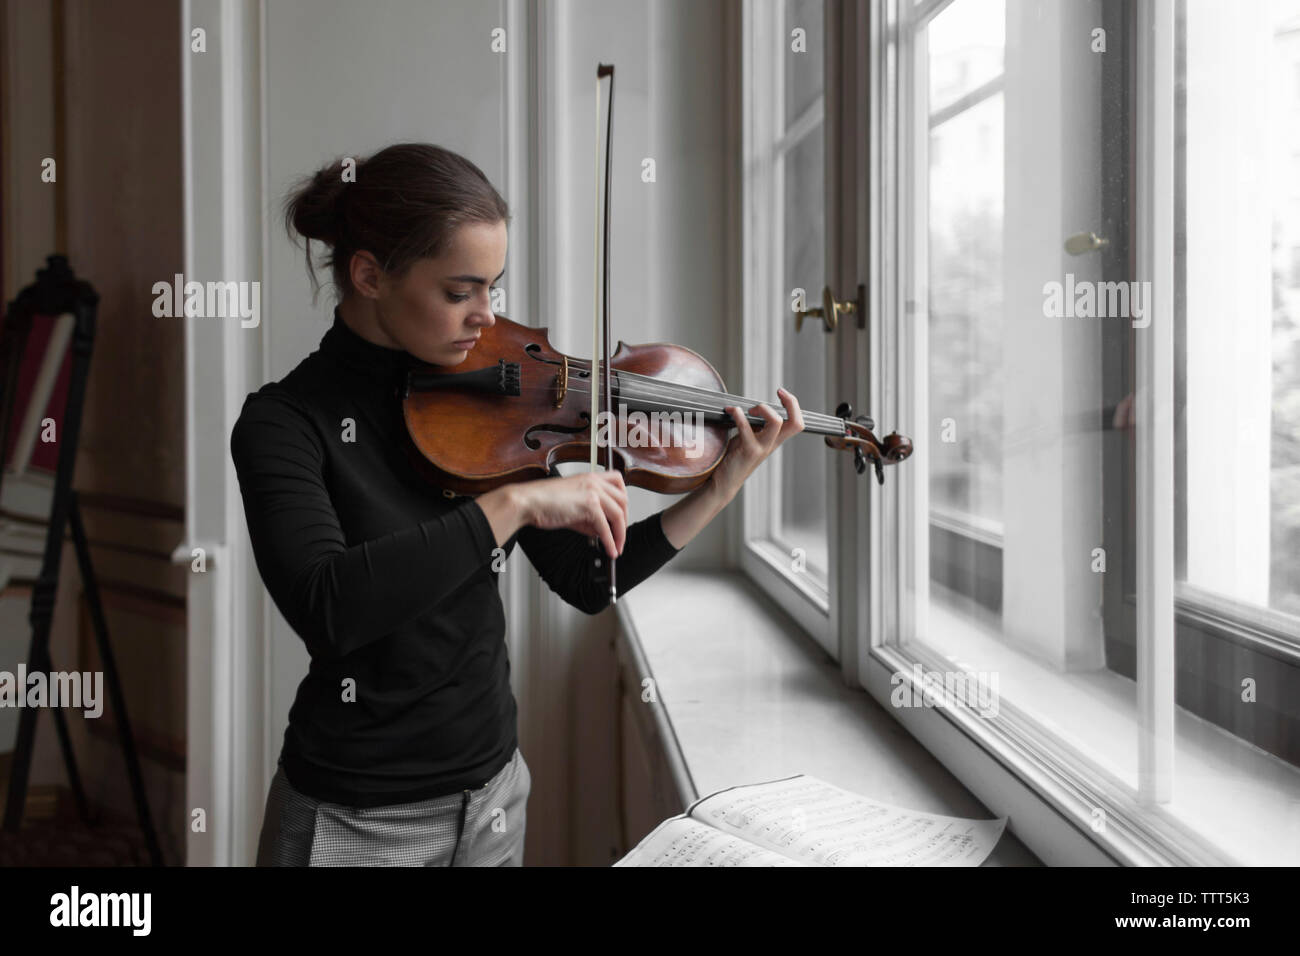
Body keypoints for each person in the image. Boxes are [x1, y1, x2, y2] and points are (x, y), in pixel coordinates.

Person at [232, 142, 804, 866]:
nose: (485, 316)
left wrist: (719, 487)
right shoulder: (285, 423)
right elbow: (330, 607)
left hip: (494, 795)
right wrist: (514, 508)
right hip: (357, 823)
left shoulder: (491, 406)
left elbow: (590, 582)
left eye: (493, 288)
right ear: (370, 275)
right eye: (459, 292)